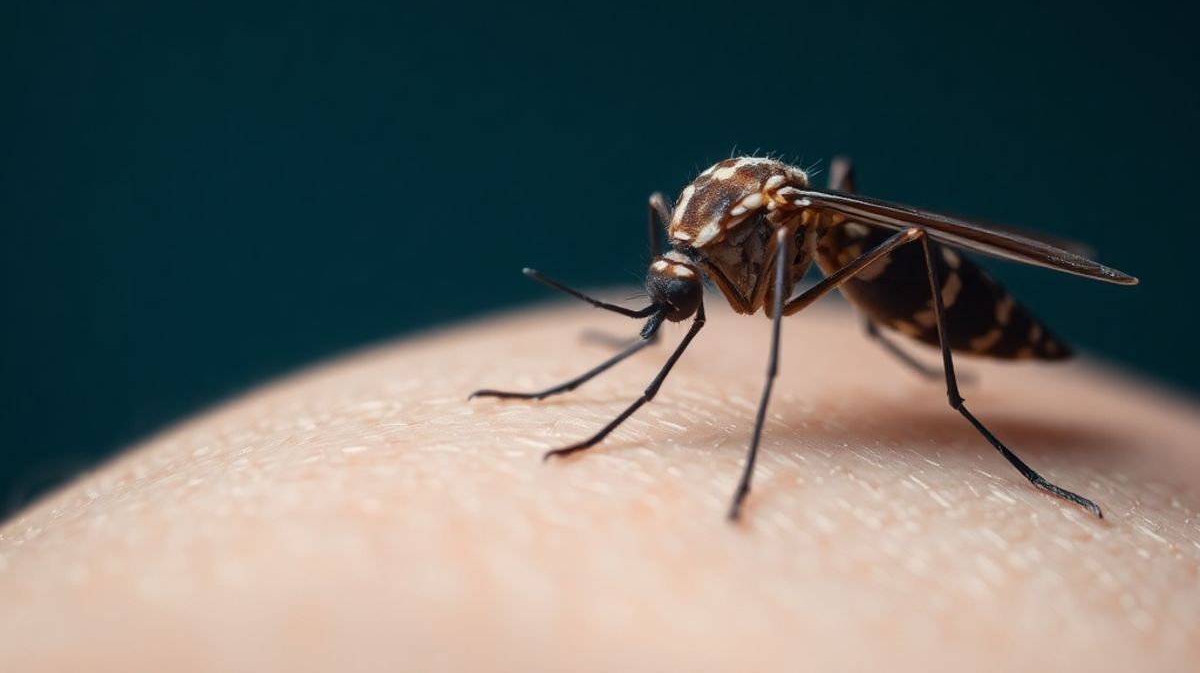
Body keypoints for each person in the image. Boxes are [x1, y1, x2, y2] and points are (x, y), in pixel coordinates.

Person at [1, 302, 1197, 672]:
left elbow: (774, 341)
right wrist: (632, 357)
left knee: (838, 249)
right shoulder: (702, 239)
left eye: (674, 290)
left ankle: (953, 395)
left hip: (947, 314)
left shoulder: (781, 235)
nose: (671, 295)